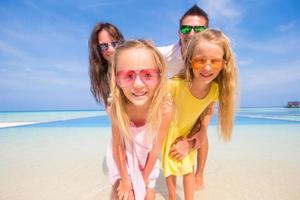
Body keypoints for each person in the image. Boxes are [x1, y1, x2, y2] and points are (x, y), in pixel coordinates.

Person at [162, 29, 238, 199]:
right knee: (170, 168)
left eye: (215, 61)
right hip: (168, 132)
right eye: (200, 61)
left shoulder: (215, 91)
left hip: (188, 132)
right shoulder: (174, 85)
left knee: (189, 168)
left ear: (224, 64)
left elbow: (207, 112)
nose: (207, 67)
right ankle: (173, 196)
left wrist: (191, 138)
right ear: (190, 61)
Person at [106, 39, 173, 200]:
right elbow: (118, 147)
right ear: (116, 79)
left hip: (147, 158)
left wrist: (144, 178)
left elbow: (155, 149)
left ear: (159, 76)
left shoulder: (164, 110)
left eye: (147, 75)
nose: (137, 84)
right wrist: (125, 179)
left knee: (148, 196)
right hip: (123, 158)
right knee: (126, 195)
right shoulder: (116, 108)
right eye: (128, 76)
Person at [158, 4, 212, 190]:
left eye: (199, 29)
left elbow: (209, 106)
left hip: (200, 100)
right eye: (186, 28)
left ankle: (199, 173)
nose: (191, 33)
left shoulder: (211, 57)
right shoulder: (167, 54)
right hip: (176, 100)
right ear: (179, 33)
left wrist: (199, 133)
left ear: (207, 33)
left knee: (201, 132)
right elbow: (141, 53)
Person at [88, 22, 124, 107]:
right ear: (97, 50)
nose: (111, 49)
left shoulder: (135, 58)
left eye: (115, 43)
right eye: (104, 46)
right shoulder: (105, 75)